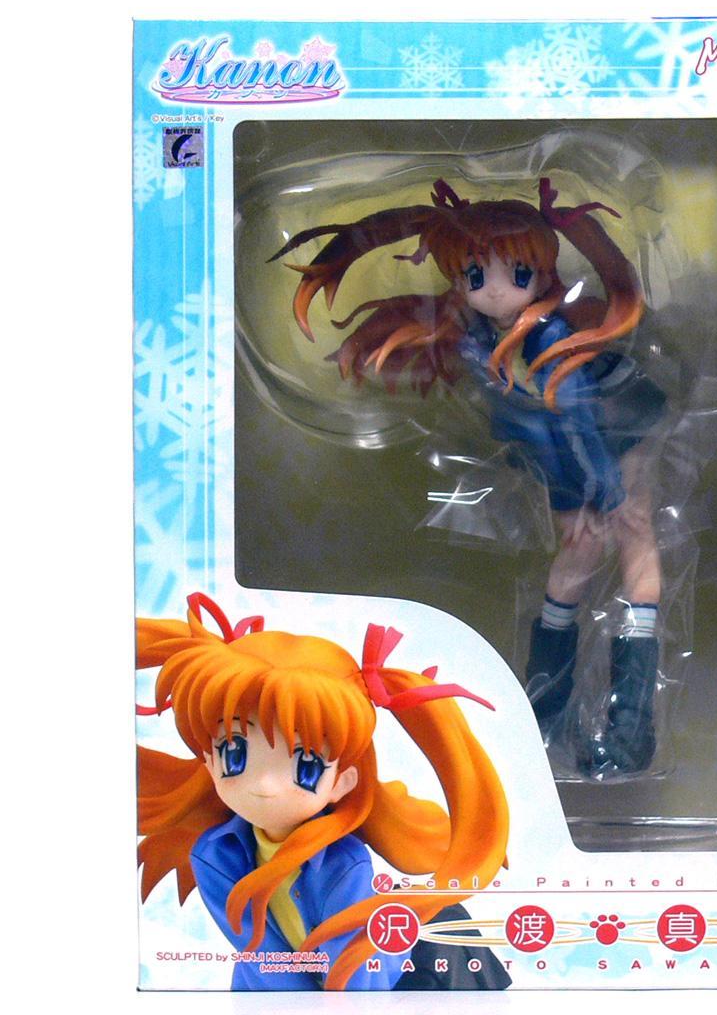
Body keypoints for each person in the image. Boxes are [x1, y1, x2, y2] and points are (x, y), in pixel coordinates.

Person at [273, 177, 667, 776]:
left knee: (634, 538)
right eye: (475, 277)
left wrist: (604, 496)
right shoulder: (477, 341)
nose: (494, 291)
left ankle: (631, 729)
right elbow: (530, 427)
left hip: (623, 427)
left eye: (517, 274)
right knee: (575, 560)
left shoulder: (554, 338)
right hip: (564, 452)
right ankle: (546, 712)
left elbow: (582, 424)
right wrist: (569, 499)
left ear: (543, 271)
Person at [137, 592, 510, 990]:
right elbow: (257, 955)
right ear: (210, 762)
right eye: (235, 753)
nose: (265, 784)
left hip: (392, 984)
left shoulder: (343, 864)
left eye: (306, 765)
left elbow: (359, 977)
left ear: (342, 782)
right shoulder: (214, 855)